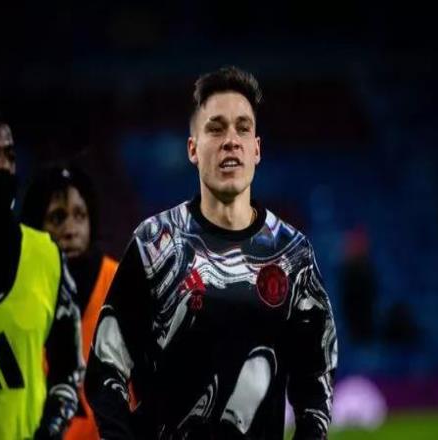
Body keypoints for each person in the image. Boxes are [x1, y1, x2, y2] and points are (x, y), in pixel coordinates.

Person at [85, 67, 338, 439]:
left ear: (256, 149)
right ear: (193, 149)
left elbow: (316, 376)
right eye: (216, 129)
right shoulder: (155, 243)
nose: (230, 141)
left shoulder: (292, 254)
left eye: (242, 128)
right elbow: (107, 365)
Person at [0, 111, 83, 439]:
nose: (2, 166)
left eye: (10, 156)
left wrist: (50, 430)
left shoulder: (47, 258)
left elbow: (69, 371)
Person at [21, 165, 118, 440]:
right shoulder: (20, 288)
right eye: (57, 218)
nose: (71, 230)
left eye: (79, 216)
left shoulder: (120, 282)